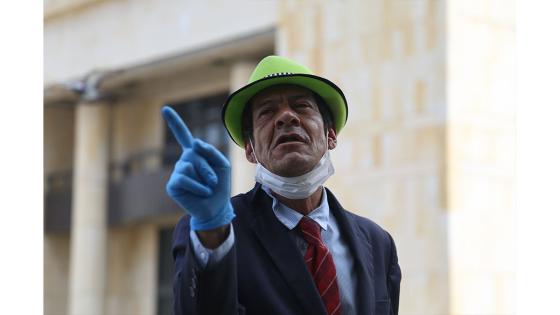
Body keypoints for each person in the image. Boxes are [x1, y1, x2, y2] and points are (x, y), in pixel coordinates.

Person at [162, 56, 401, 315]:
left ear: (330, 135)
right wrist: (212, 232)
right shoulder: (215, 234)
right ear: (250, 150)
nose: (286, 117)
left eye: (301, 106)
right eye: (267, 112)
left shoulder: (378, 243)